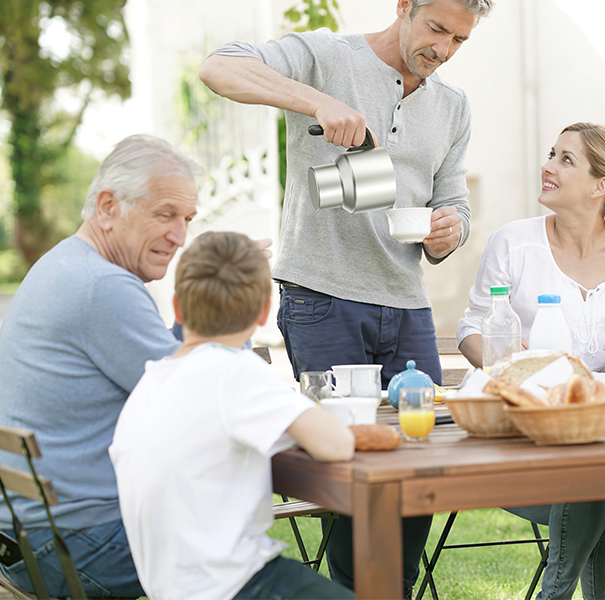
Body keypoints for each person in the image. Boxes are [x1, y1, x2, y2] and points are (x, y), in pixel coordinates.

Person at [198, 1, 494, 595]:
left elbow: (454, 200)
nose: (443, 49)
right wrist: (318, 102)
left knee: (419, 457)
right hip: (322, 298)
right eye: (436, 29)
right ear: (405, 7)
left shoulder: (452, 106)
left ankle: (396, 588)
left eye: (459, 40)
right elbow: (218, 67)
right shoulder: (326, 56)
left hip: (408, 306)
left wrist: (450, 229)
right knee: (346, 467)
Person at [457, 122, 605, 599]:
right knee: (600, 491)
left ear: (602, 186)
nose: (547, 166)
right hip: (527, 431)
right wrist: (506, 363)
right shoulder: (515, 243)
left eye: (565, 159)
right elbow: (471, 327)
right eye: (552, 154)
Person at [0, 135, 201, 596]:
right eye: (165, 214)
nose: (180, 236)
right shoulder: (101, 285)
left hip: (27, 539)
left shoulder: (65, 264)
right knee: (239, 553)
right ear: (108, 207)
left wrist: (202, 308)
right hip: (75, 547)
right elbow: (196, 401)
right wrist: (235, 296)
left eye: (187, 219)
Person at [109, 231, 356, 600]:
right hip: (235, 586)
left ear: (177, 308)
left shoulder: (153, 379)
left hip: (172, 589)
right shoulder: (235, 370)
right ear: (261, 314)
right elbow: (337, 444)